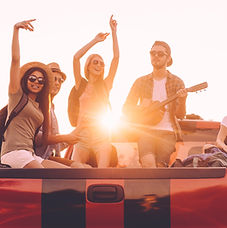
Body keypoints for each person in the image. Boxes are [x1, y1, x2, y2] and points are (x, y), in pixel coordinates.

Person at [0, 19, 76, 168]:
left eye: (41, 81)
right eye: (32, 78)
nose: (36, 82)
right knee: (44, 177)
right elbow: (15, 61)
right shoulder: (17, 96)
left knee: (67, 174)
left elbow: (44, 139)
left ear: (44, 85)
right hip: (13, 153)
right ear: (26, 79)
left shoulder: (42, 107)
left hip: (30, 154)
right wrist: (16, 30)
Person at [123, 41, 187, 168]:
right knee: (148, 164)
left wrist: (183, 100)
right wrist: (141, 107)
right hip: (146, 132)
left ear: (168, 58)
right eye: (153, 53)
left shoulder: (177, 82)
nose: (156, 56)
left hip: (167, 132)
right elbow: (126, 108)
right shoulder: (141, 82)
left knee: (161, 168)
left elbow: (180, 115)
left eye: (160, 54)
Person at [71, 15, 119, 168]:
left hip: (101, 136)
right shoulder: (80, 84)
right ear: (89, 66)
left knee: (101, 174)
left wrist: (114, 32)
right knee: (76, 173)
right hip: (81, 135)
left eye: (102, 64)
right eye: (95, 62)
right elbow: (76, 58)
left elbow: (116, 58)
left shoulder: (105, 85)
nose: (99, 65)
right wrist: (95, 40)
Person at [35, 62, 90, 168]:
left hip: (48, 157)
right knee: (78, 169)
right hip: (37, 159)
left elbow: (55, 146)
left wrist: (79, 129)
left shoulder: (51, 108)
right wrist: (65, 137)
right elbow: (36, 138)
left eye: (60, 81)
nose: (57, 83)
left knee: (85, 168)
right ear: (45, 81)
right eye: (54, 79)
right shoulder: (36, 105)